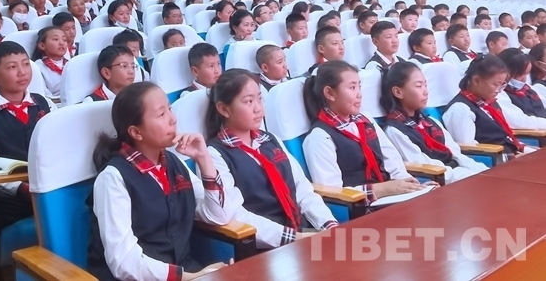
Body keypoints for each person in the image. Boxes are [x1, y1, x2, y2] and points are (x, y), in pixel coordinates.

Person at [89, 82, 235, 281]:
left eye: (170, 109)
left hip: (186, 272)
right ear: (136, 132)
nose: (173, 119)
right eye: (161, 114)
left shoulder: (172, 162)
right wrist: (190, 276)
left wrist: (203, 158)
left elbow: (219, 215)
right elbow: (124, 262)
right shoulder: (113, 178)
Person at [204, 69, 337, 249]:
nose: (258, 108)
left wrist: (328, 225)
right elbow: (236, 215)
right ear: (223, 109)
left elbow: (302, 189)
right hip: (269, 246)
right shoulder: (215, 155)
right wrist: (295, 238)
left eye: (259, 99)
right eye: (249, 101)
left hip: (302, 232)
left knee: (353, 253)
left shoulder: (271, 140)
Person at [0, 42, 56, 281]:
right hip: (15, 194)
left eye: (26, 64)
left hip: (50, 186)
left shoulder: (45, 104)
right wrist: (22, 189)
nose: (22, 72)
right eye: (12, 67)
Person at [302, 61, 428, 205]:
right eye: (352, 87)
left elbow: (392, 160)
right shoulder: (319, 137)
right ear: (330, 93)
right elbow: (334, 194)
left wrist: (411, 186)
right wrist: (383, 189)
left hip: (390, 196)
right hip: (361, 206)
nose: (359, 94)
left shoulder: (365, 120)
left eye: (359, 87)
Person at [380, 62, 486, 183]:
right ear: (398, 92)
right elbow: (424, 166)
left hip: (458, 174)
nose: (426, 91)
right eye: (418, 86)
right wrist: (469, 176)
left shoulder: (431, 122)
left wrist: (481, 171)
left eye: (425, 85)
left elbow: (456, 154)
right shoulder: (395, 131)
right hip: (441, 181)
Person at [443, 55, 532, 158]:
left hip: (511, 153)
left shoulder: (488, 103)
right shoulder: (460, 109)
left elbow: (505, 138)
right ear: (476, 81)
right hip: (494, 161)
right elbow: (469, 150)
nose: (499, 91)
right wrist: (510, 158)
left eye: (502, 85)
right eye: (496, 85)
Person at [496, 48, 546, 129]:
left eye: (527, 74)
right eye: (520, 74)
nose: (524, 79)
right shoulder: (500, 94)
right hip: (532, 133)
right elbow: (518, 121)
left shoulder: (529, 89)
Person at [33, 26, 68, 100]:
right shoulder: (37, 66)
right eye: (55, 39)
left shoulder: (71, 63)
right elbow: (45, 95)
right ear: (42, 45)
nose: (61, 43)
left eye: (64, 40)